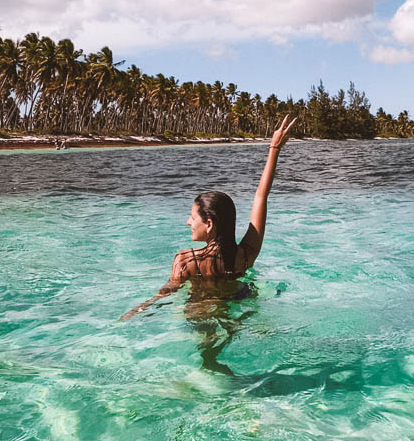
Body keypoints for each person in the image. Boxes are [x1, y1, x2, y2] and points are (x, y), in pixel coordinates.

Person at [121, 115, 297, 320]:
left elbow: (164, 295)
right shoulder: (245, 256)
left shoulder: (186, 262)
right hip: (236, 311)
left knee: (206, 340)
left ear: (209, 224)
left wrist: (135, 312)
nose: (188, 221)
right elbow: (261, 196)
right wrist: (274, 149)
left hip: (199, 316)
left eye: (192, 217)